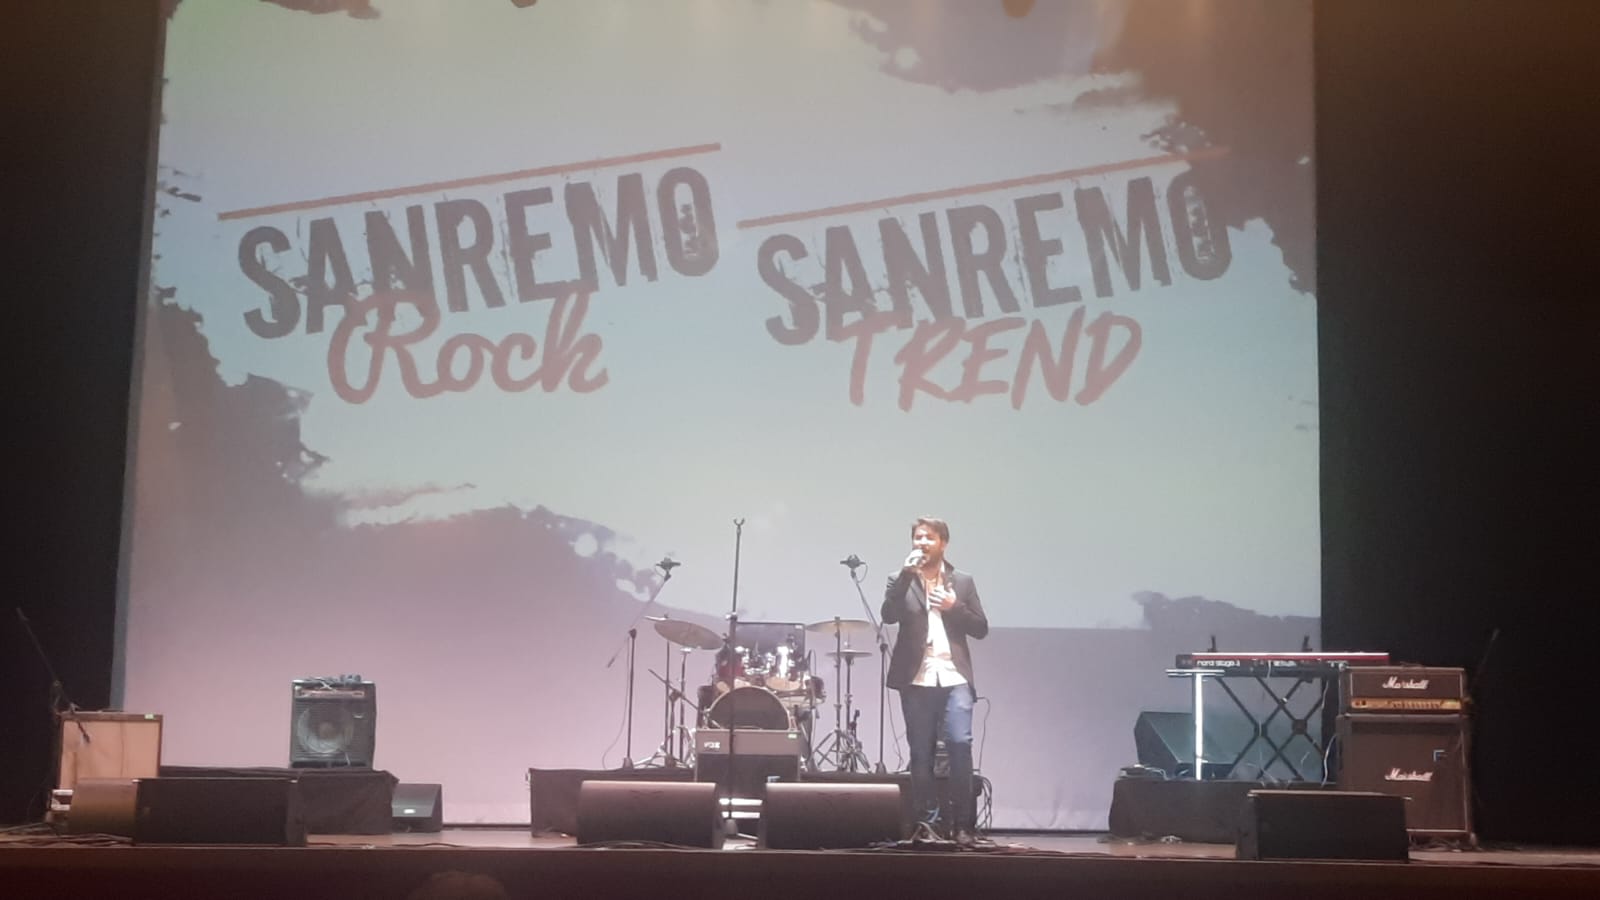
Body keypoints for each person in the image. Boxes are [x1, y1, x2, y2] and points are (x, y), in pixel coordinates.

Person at [882, 516, 988, 844]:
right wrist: (905, 576)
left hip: (954, 676)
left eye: (929, 537)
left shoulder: (963, 581)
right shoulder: (899, 579)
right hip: (917, 677)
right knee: (920, 753)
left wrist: (954, 607)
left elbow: (980, 628)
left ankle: (963, 825)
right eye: (918, 537)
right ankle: (928, 824)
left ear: (943, 543)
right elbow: (888, 615)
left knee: (959, 743)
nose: (922, 543)